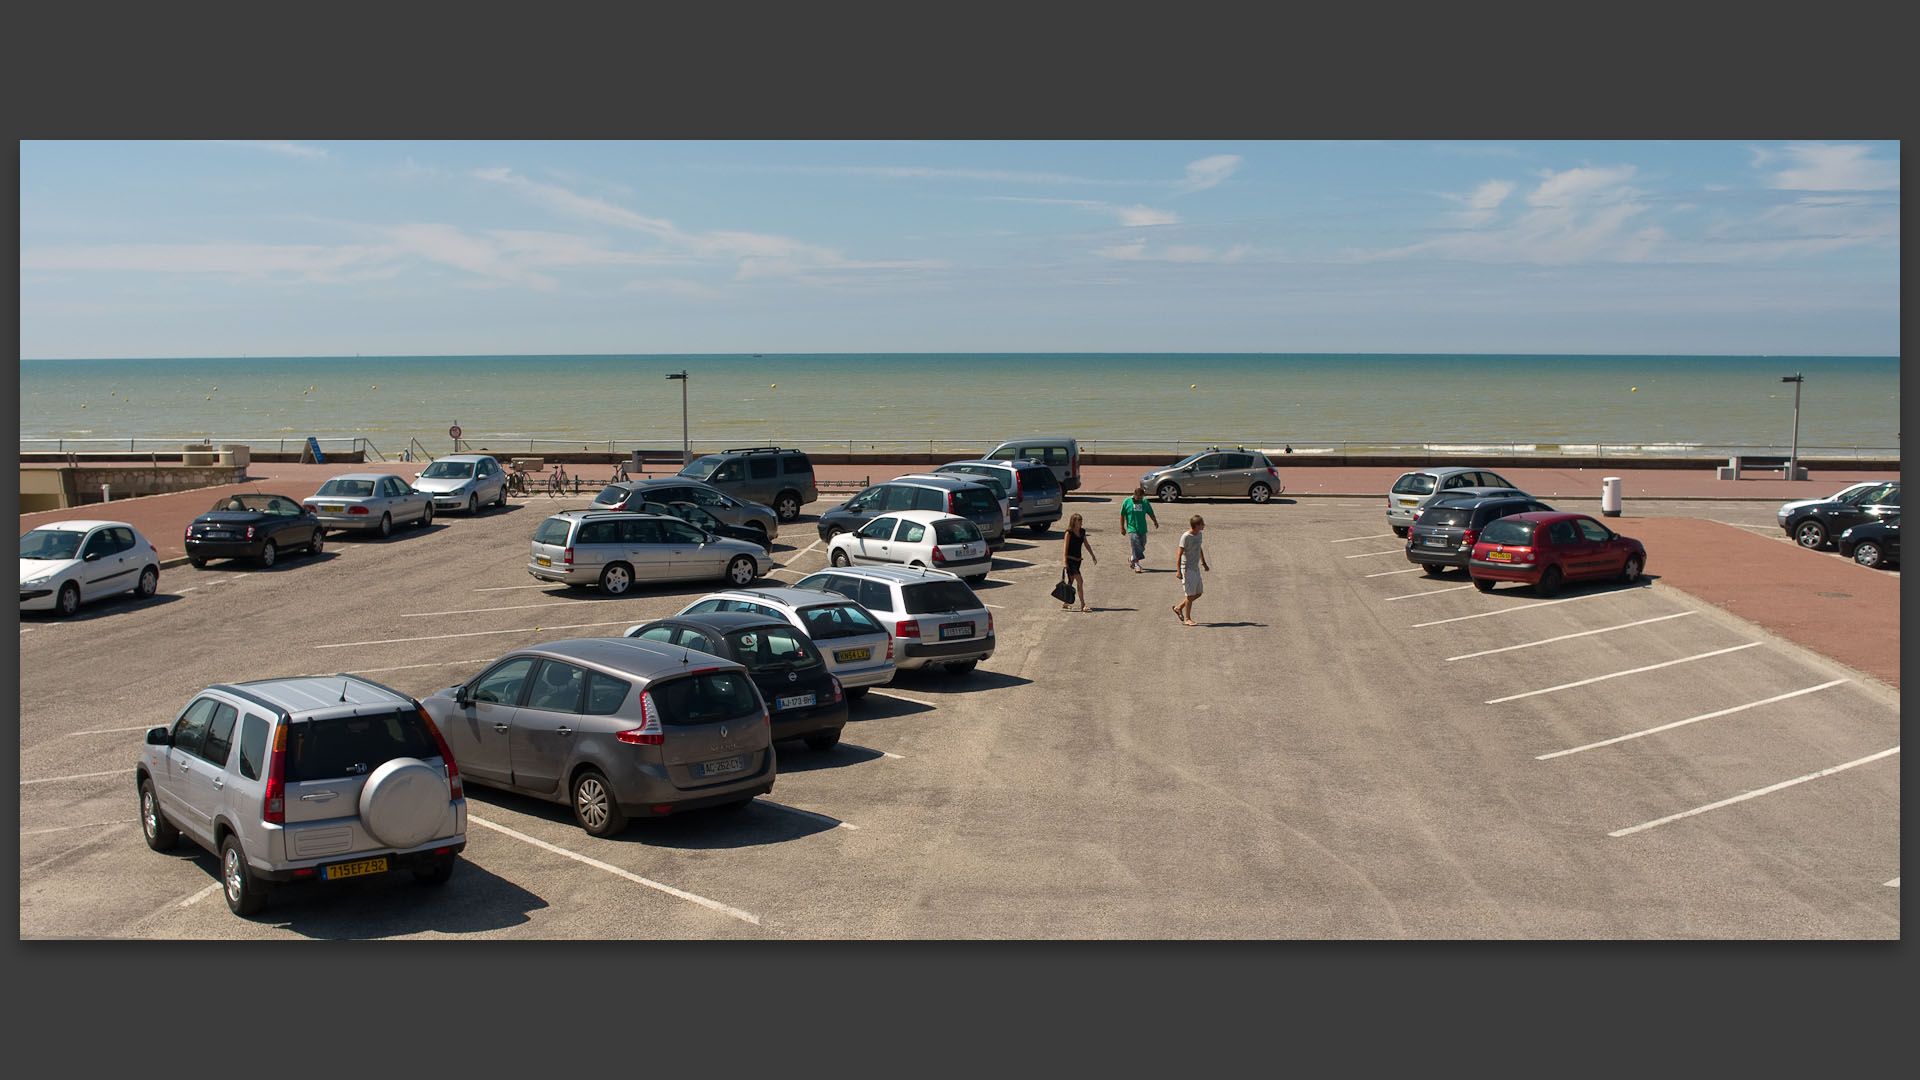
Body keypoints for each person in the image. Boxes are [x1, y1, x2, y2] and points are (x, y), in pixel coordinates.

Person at [1172, 514, 1209, 626]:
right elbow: (1179, 554)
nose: (1204, 525)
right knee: (1189, 594)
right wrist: (1178, 571)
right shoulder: (1186, 537)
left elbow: (1199, 548)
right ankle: (1187, 619)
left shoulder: (1199, 535)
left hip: (1195, 567)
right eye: (1202, 524)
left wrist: (1204, 563)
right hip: (1187, 568)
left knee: (1198, 593)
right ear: (1196, 525)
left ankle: (1179, 608)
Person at [1062, 512, 1096, 612]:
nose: (1081, 522)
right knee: (1080, 581)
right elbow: (1065, 548)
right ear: (1074, 522)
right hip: (1070, 560)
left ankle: (1065, 602)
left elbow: (1086, 544)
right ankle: (1083, 605)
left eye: (1081, 520)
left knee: (1070, 581)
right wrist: (1064, 561)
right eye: (1079, 520)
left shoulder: (1082, 532)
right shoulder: (1069, 532)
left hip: (1078, 560)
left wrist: (1092, 555)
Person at [1119, 485, 1158, 572]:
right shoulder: (1127, 502)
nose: (1140, 500)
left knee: (1142, 546)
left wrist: (1155, 521)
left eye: (1141, 498)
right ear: (1135, 495)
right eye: (1138, 498)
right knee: (1135, 543)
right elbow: (1122, 515)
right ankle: (1137, 565)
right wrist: (1122, 527)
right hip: (1132, 528)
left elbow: (1150, 513)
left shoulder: (1145, 502)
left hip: (1142, 528)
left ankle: (1132, 558)